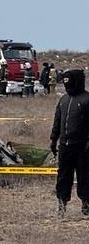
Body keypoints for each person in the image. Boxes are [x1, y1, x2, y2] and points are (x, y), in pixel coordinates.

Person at [50, 69, 89, 217]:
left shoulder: (87, 99)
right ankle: (61, 203)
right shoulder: (63, 100)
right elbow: (57, 122)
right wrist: (53, 140)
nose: (67, 84)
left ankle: (86, 202)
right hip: (65, 146)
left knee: (84, 176)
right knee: (63, 176)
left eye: (69, 81)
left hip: (82, 147)